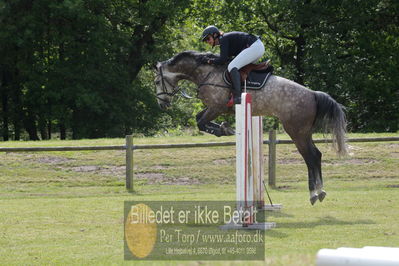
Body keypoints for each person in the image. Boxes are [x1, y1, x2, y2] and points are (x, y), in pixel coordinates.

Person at [200, 25, 265, 105]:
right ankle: (249, 88)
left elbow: (222, 60)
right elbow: (225, 58)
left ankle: (237, 96)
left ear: (215, 35)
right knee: (236, 66)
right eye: (205, 41)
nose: (207, 41)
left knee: (232, 66)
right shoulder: (224, 40)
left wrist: (208, 61)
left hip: (255, 47)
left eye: (208, 38)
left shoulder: (223, 39)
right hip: (256, 47)